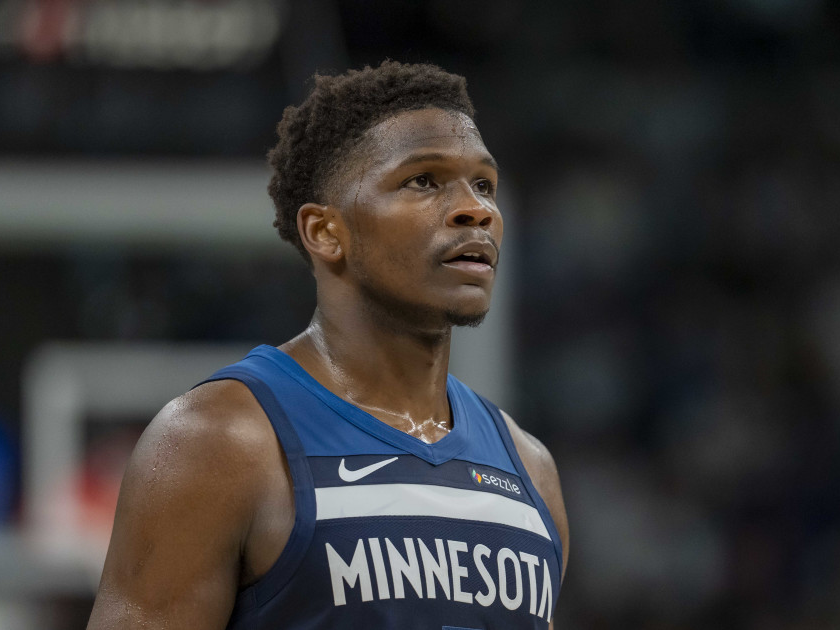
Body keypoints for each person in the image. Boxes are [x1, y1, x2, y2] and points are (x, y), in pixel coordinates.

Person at [87, 61, 569, 629]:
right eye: (423, 181)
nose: (477, 209)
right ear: (324, 231)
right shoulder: (218, 442)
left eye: (483, 185)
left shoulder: (529, 471)